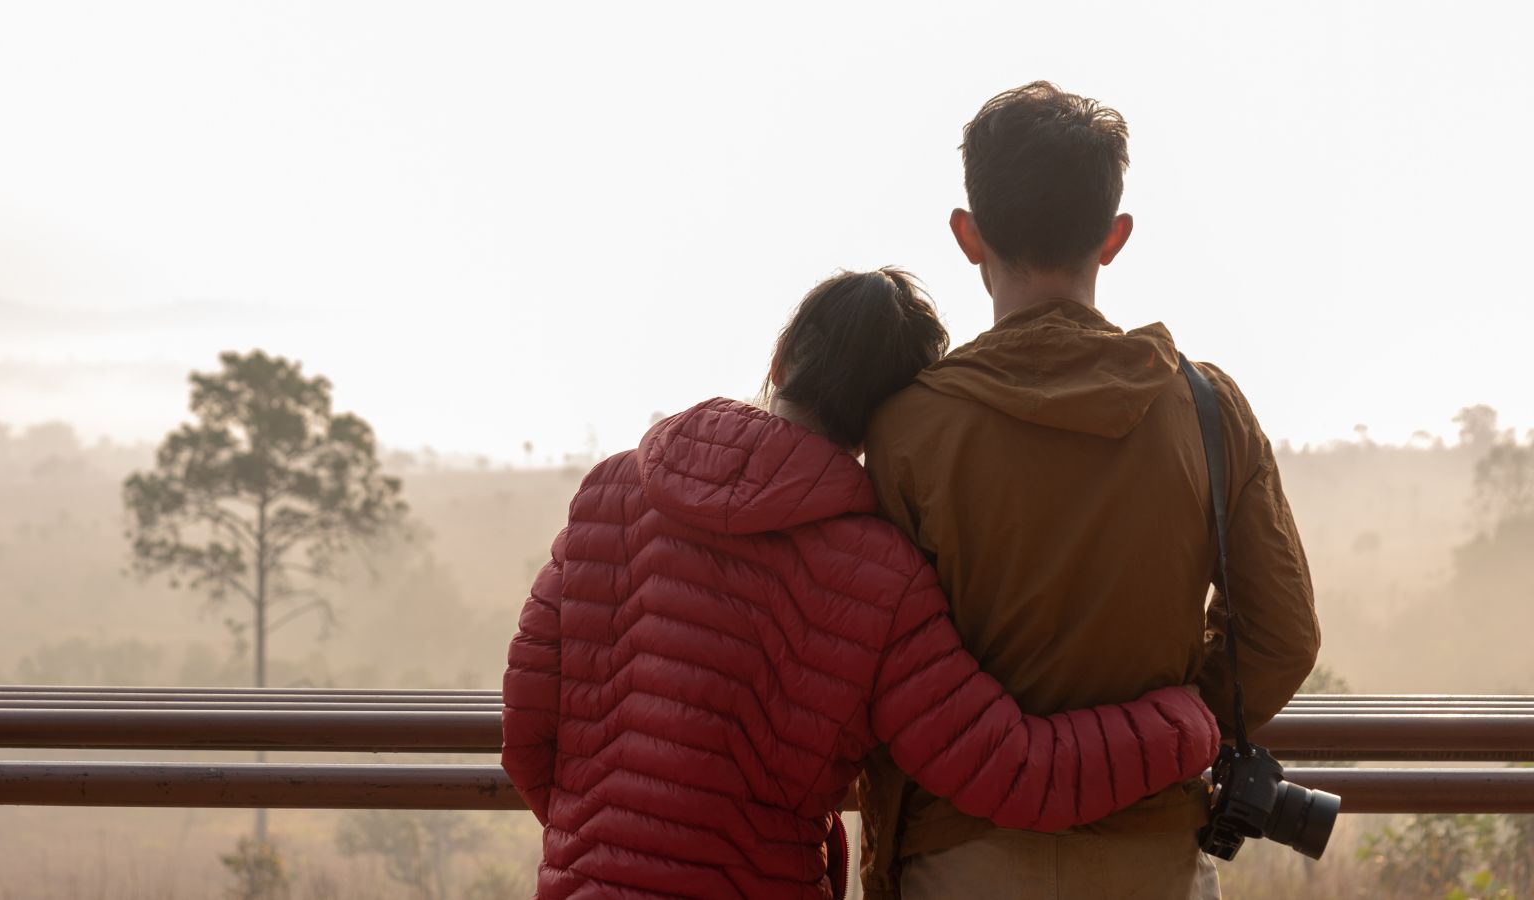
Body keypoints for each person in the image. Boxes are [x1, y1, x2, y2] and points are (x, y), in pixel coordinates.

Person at [502, 268, 1221, 900]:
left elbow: (530, 739)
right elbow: (1011, 768)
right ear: (890, 417)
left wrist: (605, 854)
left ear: (781, 360)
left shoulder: (612, 494)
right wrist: (1188, 723)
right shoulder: (879, 578)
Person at [857, 83, 1321, 899]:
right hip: (1153, 852)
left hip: (960, 853)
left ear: (968, 236)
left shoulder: (906, 429)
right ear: (1113, 237)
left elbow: (876, 659)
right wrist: (1164, 733)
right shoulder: (1207, 410)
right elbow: (1281, 634)